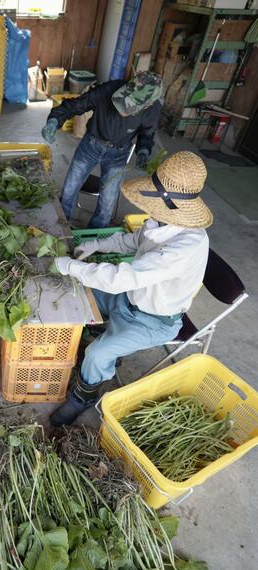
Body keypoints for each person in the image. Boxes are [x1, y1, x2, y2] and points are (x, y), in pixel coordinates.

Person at [49, 151, 212, 427]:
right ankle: (100, 334)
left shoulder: (186, 246)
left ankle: (83, 397)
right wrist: (99, 244)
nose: (150, 213)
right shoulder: (163, 222)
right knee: (75, 296)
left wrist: (72, 267)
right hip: (128, 300)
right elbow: (131, 242)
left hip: (153, 320)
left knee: (97, 354)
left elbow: (124, 278)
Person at [42, 71, 163, 228]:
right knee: (69, 190)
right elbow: (76, 105)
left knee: (107, 203)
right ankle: (61, 227)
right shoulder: (108, 90)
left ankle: (94, 237)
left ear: (148, 104)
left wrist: (143, 151)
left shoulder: (153, 109)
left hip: (118, 155)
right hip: (90, 146)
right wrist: (54, 120)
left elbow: (147, 133)